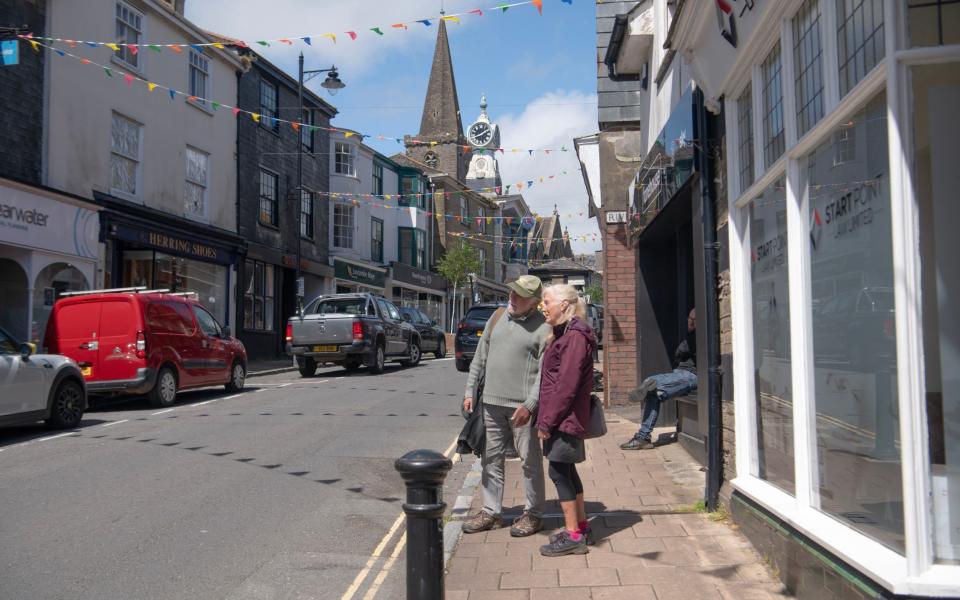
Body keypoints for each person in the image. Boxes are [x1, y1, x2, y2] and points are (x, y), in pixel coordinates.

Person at [462, 275, 552, 537]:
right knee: (490, 460)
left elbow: (544, 374)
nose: (513, 298)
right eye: (512, 292)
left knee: (529, 462)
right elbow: (479, 358)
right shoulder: (497, 317)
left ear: (534, 302)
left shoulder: (545, 328)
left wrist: (531, 404)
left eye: (520, 295)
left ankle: (534, 514)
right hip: (490, 404)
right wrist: (469, 391)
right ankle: (491, 512)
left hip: (522, 409)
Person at [536, 284, 598, 557]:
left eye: (546, 301)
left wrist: (547, 421)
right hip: (565, 416)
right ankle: (581, 527)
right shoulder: (566, 334)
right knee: (567, 471)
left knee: (558, 472)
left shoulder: (574, 337)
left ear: (563, 305)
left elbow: (566, 386)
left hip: (564, 418)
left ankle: (573, 536)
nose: (542, 306)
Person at [620, 308, 697, 450]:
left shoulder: (697, 336)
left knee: (652, 384)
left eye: (693, 320)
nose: (689, 322)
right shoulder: (693, 336)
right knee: (653, 392)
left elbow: (680, 351)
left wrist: (692, 331)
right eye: (689, 318)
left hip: (692, 375)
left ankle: (643, 437)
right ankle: (644, 438)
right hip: (682, 373)